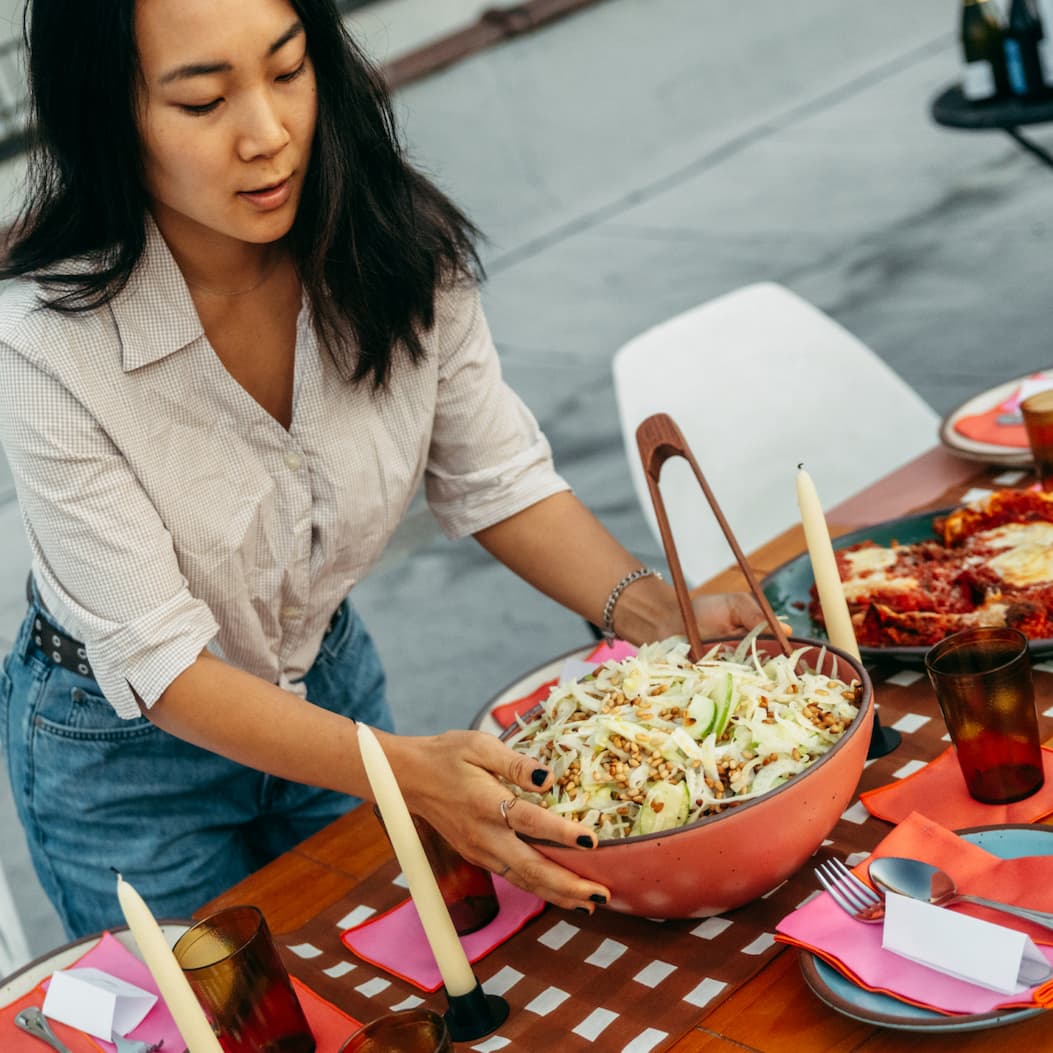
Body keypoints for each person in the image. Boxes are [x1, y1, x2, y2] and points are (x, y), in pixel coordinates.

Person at [0, 0, 763, 939]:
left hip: (328, 685)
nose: (268, 134)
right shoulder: (46, 348)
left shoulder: (394, 243)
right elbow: (163, 669)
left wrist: (659, 614)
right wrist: (409, 771)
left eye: (287, 71)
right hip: (126, 756)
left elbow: (497, 476)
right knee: (221, 1021)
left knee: (397, 978)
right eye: (204, 102)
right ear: (108, 115)